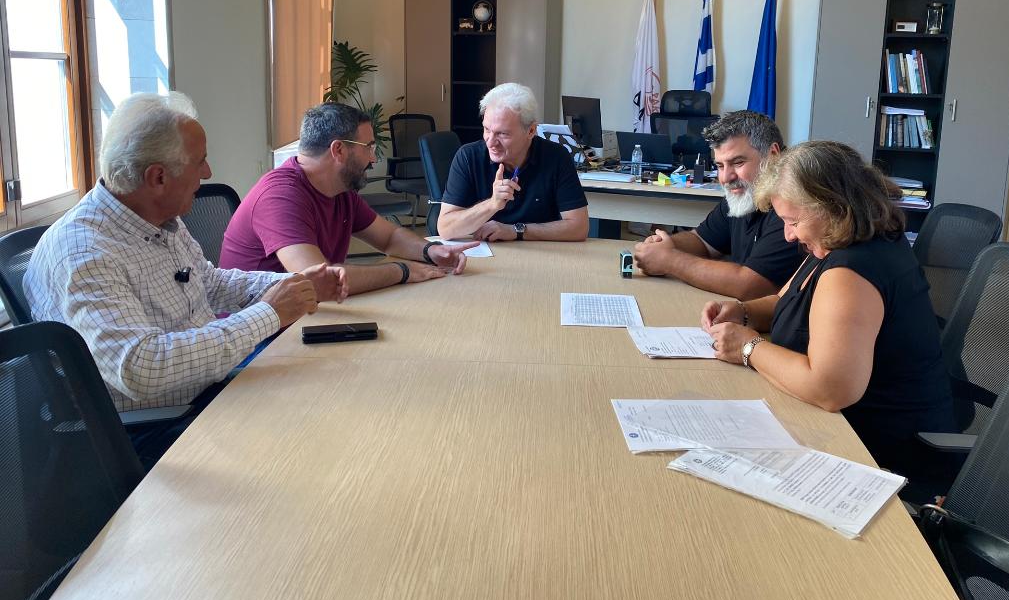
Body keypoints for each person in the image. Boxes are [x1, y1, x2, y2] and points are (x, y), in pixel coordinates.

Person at [25, 92, 345, 466]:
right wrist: (269, 314)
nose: (207, 172)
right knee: (317, 445)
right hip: (153, 432)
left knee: (331, 392)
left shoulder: (158, 219)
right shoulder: (85, 253)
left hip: (206, 394)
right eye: (200, 161)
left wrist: (293, 286)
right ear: (158, 177)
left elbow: (208, 282)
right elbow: (141, 367)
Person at [701, 140, 956, 493]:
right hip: (839, 428)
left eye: (793, 221)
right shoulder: (836, 241)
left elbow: (830, 389)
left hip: (882, 454)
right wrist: (744, 312)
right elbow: (787, 301)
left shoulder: (853, 270)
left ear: (832, 207)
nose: (788, 235)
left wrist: (749, 348)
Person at [220, 103, 476, 286]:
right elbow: (321, 280)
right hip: (263, 336)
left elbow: (389, 237)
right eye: (369, 147)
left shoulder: (339, 189)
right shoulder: (280, 197)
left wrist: (431, 251)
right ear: (339, 150)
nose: (373, 158)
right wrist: (402, 271)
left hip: (309, 316)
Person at [632, 110, 803, 299]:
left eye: (738, 162)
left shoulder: (793, 203)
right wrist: (665, 245)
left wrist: (670, 260)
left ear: (773, 154)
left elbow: (750, 285)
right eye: (720, 166)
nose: (725, 178)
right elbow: (703, 241)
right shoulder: (744, 194)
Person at [436, 82, 589, 242]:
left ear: (530, 131)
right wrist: (492, 204)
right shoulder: (468, 157)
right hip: (483, 251)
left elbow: (579, 227)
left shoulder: (556, 157)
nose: (490, 142)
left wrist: (516, 230)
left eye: (502, 134)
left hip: (539, 252)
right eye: (487, 130)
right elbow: (446, 228)